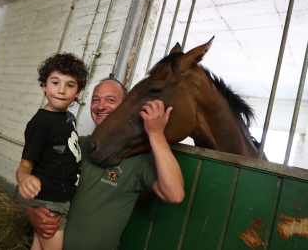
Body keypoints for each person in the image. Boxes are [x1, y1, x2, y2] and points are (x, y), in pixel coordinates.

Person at [27, 76, 185, 250]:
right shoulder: (75, 143)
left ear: (125, 106)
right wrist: (31, 212)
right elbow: (37, 183)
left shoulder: (139, 159)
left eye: (110, 100)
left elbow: (175, 194)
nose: (101, 106)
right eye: (96, 100)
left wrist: (156, 133)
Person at [16, 53, 89, 250]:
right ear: (44, 86)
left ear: (79, 93)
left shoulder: (69, 118)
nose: (61, 90)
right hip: (50, 201)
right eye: (55, 82)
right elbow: (25, 166)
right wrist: (25, 180)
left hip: (59, 198)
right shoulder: (40, 123)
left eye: (70, 85)